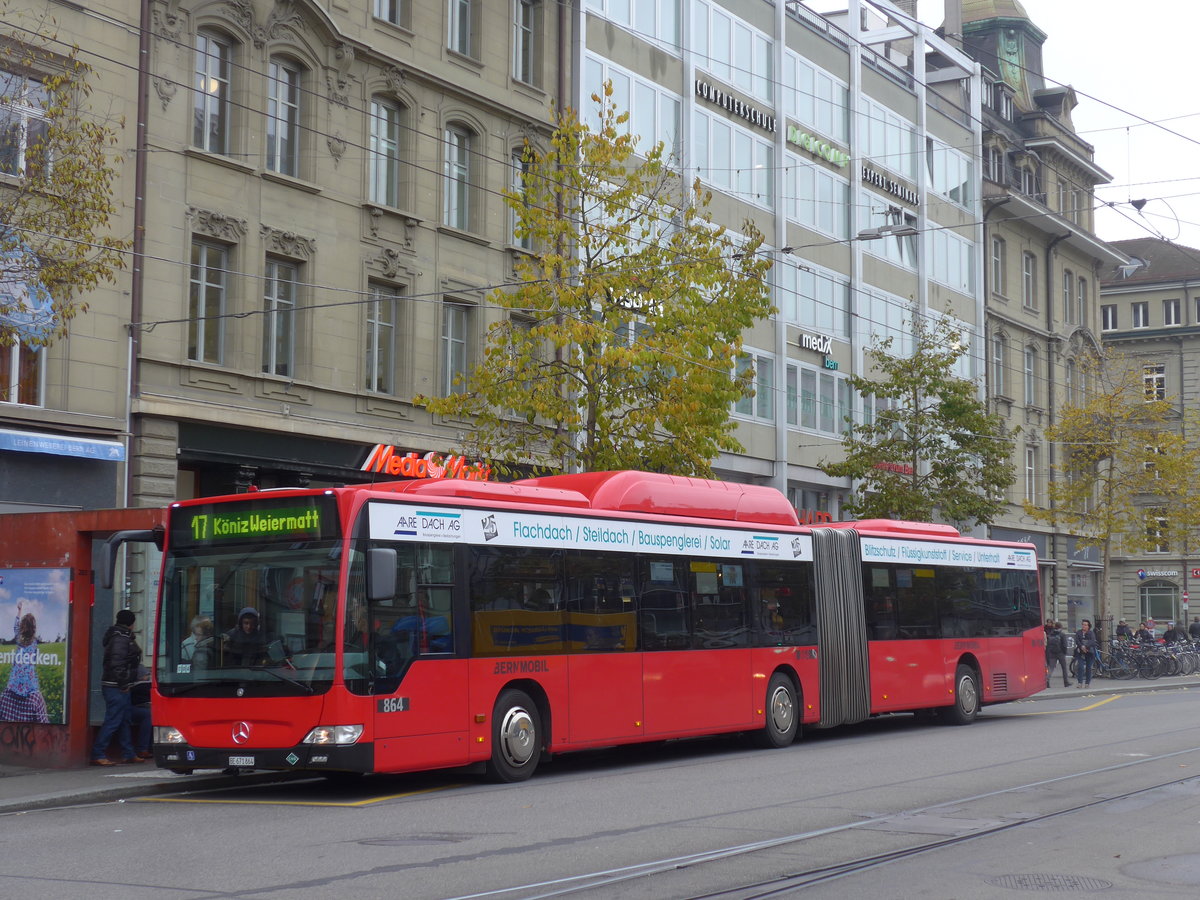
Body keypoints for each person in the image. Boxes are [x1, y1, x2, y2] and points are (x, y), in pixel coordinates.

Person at [91, 609, 145, 766]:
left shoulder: (121, 636)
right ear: (131, 623)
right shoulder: (121, 639)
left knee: (124, 720)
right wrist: (123, 684)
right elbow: (117, 663)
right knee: (114, 720)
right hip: (116, 686)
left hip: (119, 685)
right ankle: (98, 753)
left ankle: (128, 753)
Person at [0, 601, 50, 723]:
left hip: (14, 685)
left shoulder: (18, 639)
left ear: (22, 627)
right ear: (33, 629)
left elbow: (15, 626)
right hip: (29, 686)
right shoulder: (34, 643)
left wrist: (19, 610)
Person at [129, 665, 153, 759]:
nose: (148, 677)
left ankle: (148, 747)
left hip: (140, 708)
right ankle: (143, 748)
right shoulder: (142, 686)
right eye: (147, 675)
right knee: (149, 716)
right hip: (136, 709)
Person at [1074, 618, 1098, 688]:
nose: (1083, 626)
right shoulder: (1079, 632)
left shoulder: (1091, 633)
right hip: (1081, 652)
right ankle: (1080, 683)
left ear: (1088, 626)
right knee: (1080, 667)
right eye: (1083, 625)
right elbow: (1077, 640)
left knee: (1088, 668)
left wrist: (1086, 647)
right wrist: (1081, 646)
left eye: (1085, 625)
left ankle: (1087, 683)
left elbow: (1092, 641)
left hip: (1089, 652)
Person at [1044, 620, 1070, 688]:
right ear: (1061, 627)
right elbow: (1064, 645)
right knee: (1064, 668)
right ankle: (1066, 682)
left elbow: (1048, 644)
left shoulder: (1051, 633)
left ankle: (1047, 680)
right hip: (1060, 653)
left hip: (1052, 653)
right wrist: (1064, 652)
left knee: (1051, 668)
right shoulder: (1062, 634)